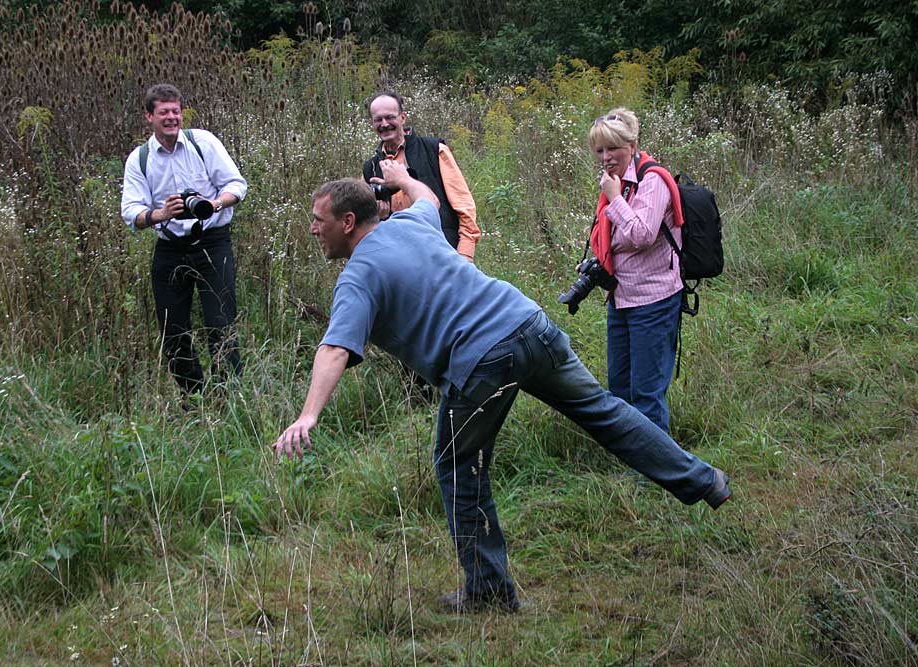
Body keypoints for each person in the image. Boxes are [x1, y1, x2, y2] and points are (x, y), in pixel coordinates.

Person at [273, 161, 732, 614]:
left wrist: (308, 414)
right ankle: (703, 479)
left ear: (347, 222)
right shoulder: (410, 224)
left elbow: (333, 349)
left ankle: (490, 591)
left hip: (483, 360)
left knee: (458, 466)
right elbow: (429, 198)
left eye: (318, 221)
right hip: (530, 325)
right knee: (606, 413)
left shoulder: (358, 275)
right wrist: (403, 180)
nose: (313, 230)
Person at [121, 84, 248, 394]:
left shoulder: (202, 142)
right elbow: (131, 212)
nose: (171, 117)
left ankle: (229, 396)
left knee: (220, 322)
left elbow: (237, 185)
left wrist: (214, 203)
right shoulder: (140, 159)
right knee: (173, 329)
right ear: (148, 116)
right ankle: (193, 398)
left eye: (175, 111)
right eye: (163, 112)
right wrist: (161, 214)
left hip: (212, 241)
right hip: (169, 248)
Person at [588, 108, 682, 433]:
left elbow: (642, 234)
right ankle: (631, 457)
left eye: (612, 148)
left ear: (632, 144)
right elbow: (614, 235)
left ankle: (654, 471)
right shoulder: (618, 182)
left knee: (646, 393)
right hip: (622, 298)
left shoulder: (652, 180)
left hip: (654, 300)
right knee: (619, 387)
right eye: (599, 150)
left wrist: (613, 198)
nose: (606, 157)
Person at [363, 91, 481, 262]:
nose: (384, 124)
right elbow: (367, 229)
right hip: (400, 262)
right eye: (378, 120)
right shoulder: (370, 168)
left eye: (390, 117)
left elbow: (464, 206)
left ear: (402, 118)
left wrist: (464, 255)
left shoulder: (433, 150)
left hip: (445, 255)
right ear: (371, 123)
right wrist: (378, 218)